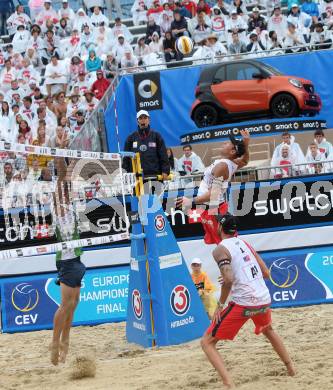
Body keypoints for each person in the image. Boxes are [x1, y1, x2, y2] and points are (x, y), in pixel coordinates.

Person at [201, 213, 296, 388]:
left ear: (220, 228)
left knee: (207, 342)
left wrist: (219, 306)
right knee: (268, 329)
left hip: (244, 303)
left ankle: (229, 384)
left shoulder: (220, 249)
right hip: (264, 299)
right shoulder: (245, 243)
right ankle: (291, 368)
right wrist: (234, 277)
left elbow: (228, 280)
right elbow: (266, 274)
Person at [177, 130, 249, 245]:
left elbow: (213, 194)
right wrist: (246, 143)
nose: (225, 142)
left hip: (215, 210)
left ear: (232, 151)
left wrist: (191, 201)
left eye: (228, 143)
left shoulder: (223, 166)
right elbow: (245, 160)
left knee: (226, 246)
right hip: (213, 209)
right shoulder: (230, 163)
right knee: (225, 245)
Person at [50, 138, 86, 366]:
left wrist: (72, 158)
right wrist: (58, 152)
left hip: (77, 259)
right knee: (64, 306)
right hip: (65, 260)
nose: (67, 189)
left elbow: (68, 176)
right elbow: (63, 175)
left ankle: (65, 344)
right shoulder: (57, 204)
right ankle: (54, 345)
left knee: (73, 305)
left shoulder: (69, 203)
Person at [123, 110, 170, 179]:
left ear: (149, 120)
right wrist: (125, 172)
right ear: (137, 121)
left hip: (155, 175)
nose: (143, 120)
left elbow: (163, 155)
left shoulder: (156, 136)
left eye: (145, 118)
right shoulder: (131, 138)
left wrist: (165, 170)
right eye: (140, 118)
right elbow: (126, 157)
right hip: (136, 177)